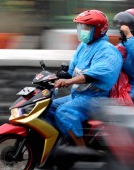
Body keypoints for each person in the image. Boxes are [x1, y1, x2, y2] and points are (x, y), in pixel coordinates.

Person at [45, 9, 122, 147]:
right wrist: (52, 77)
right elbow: (71, 71)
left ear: (98, 30)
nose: (81, 30)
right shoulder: (84, 46)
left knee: (64, 111)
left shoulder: (108, 50)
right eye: (80, 27)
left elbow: (94, 75)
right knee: (48, 107)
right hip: (78, 95)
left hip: (96, 98)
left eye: (86, 27)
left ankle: (82, 148)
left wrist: (69, 81)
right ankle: (62, 142)